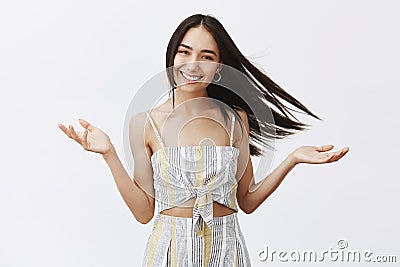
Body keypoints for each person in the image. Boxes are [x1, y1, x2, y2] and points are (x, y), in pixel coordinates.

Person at [58, 14, 349, 267]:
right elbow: (144, 211)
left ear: (220, 67)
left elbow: (246, 200)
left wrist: (293, 158)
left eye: (206, 57)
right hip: (170, 252)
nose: (193, 64)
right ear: (172, 57)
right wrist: (109, 153)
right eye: (184, 52)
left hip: (227, 249)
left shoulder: (234, 119)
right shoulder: (145, 123)